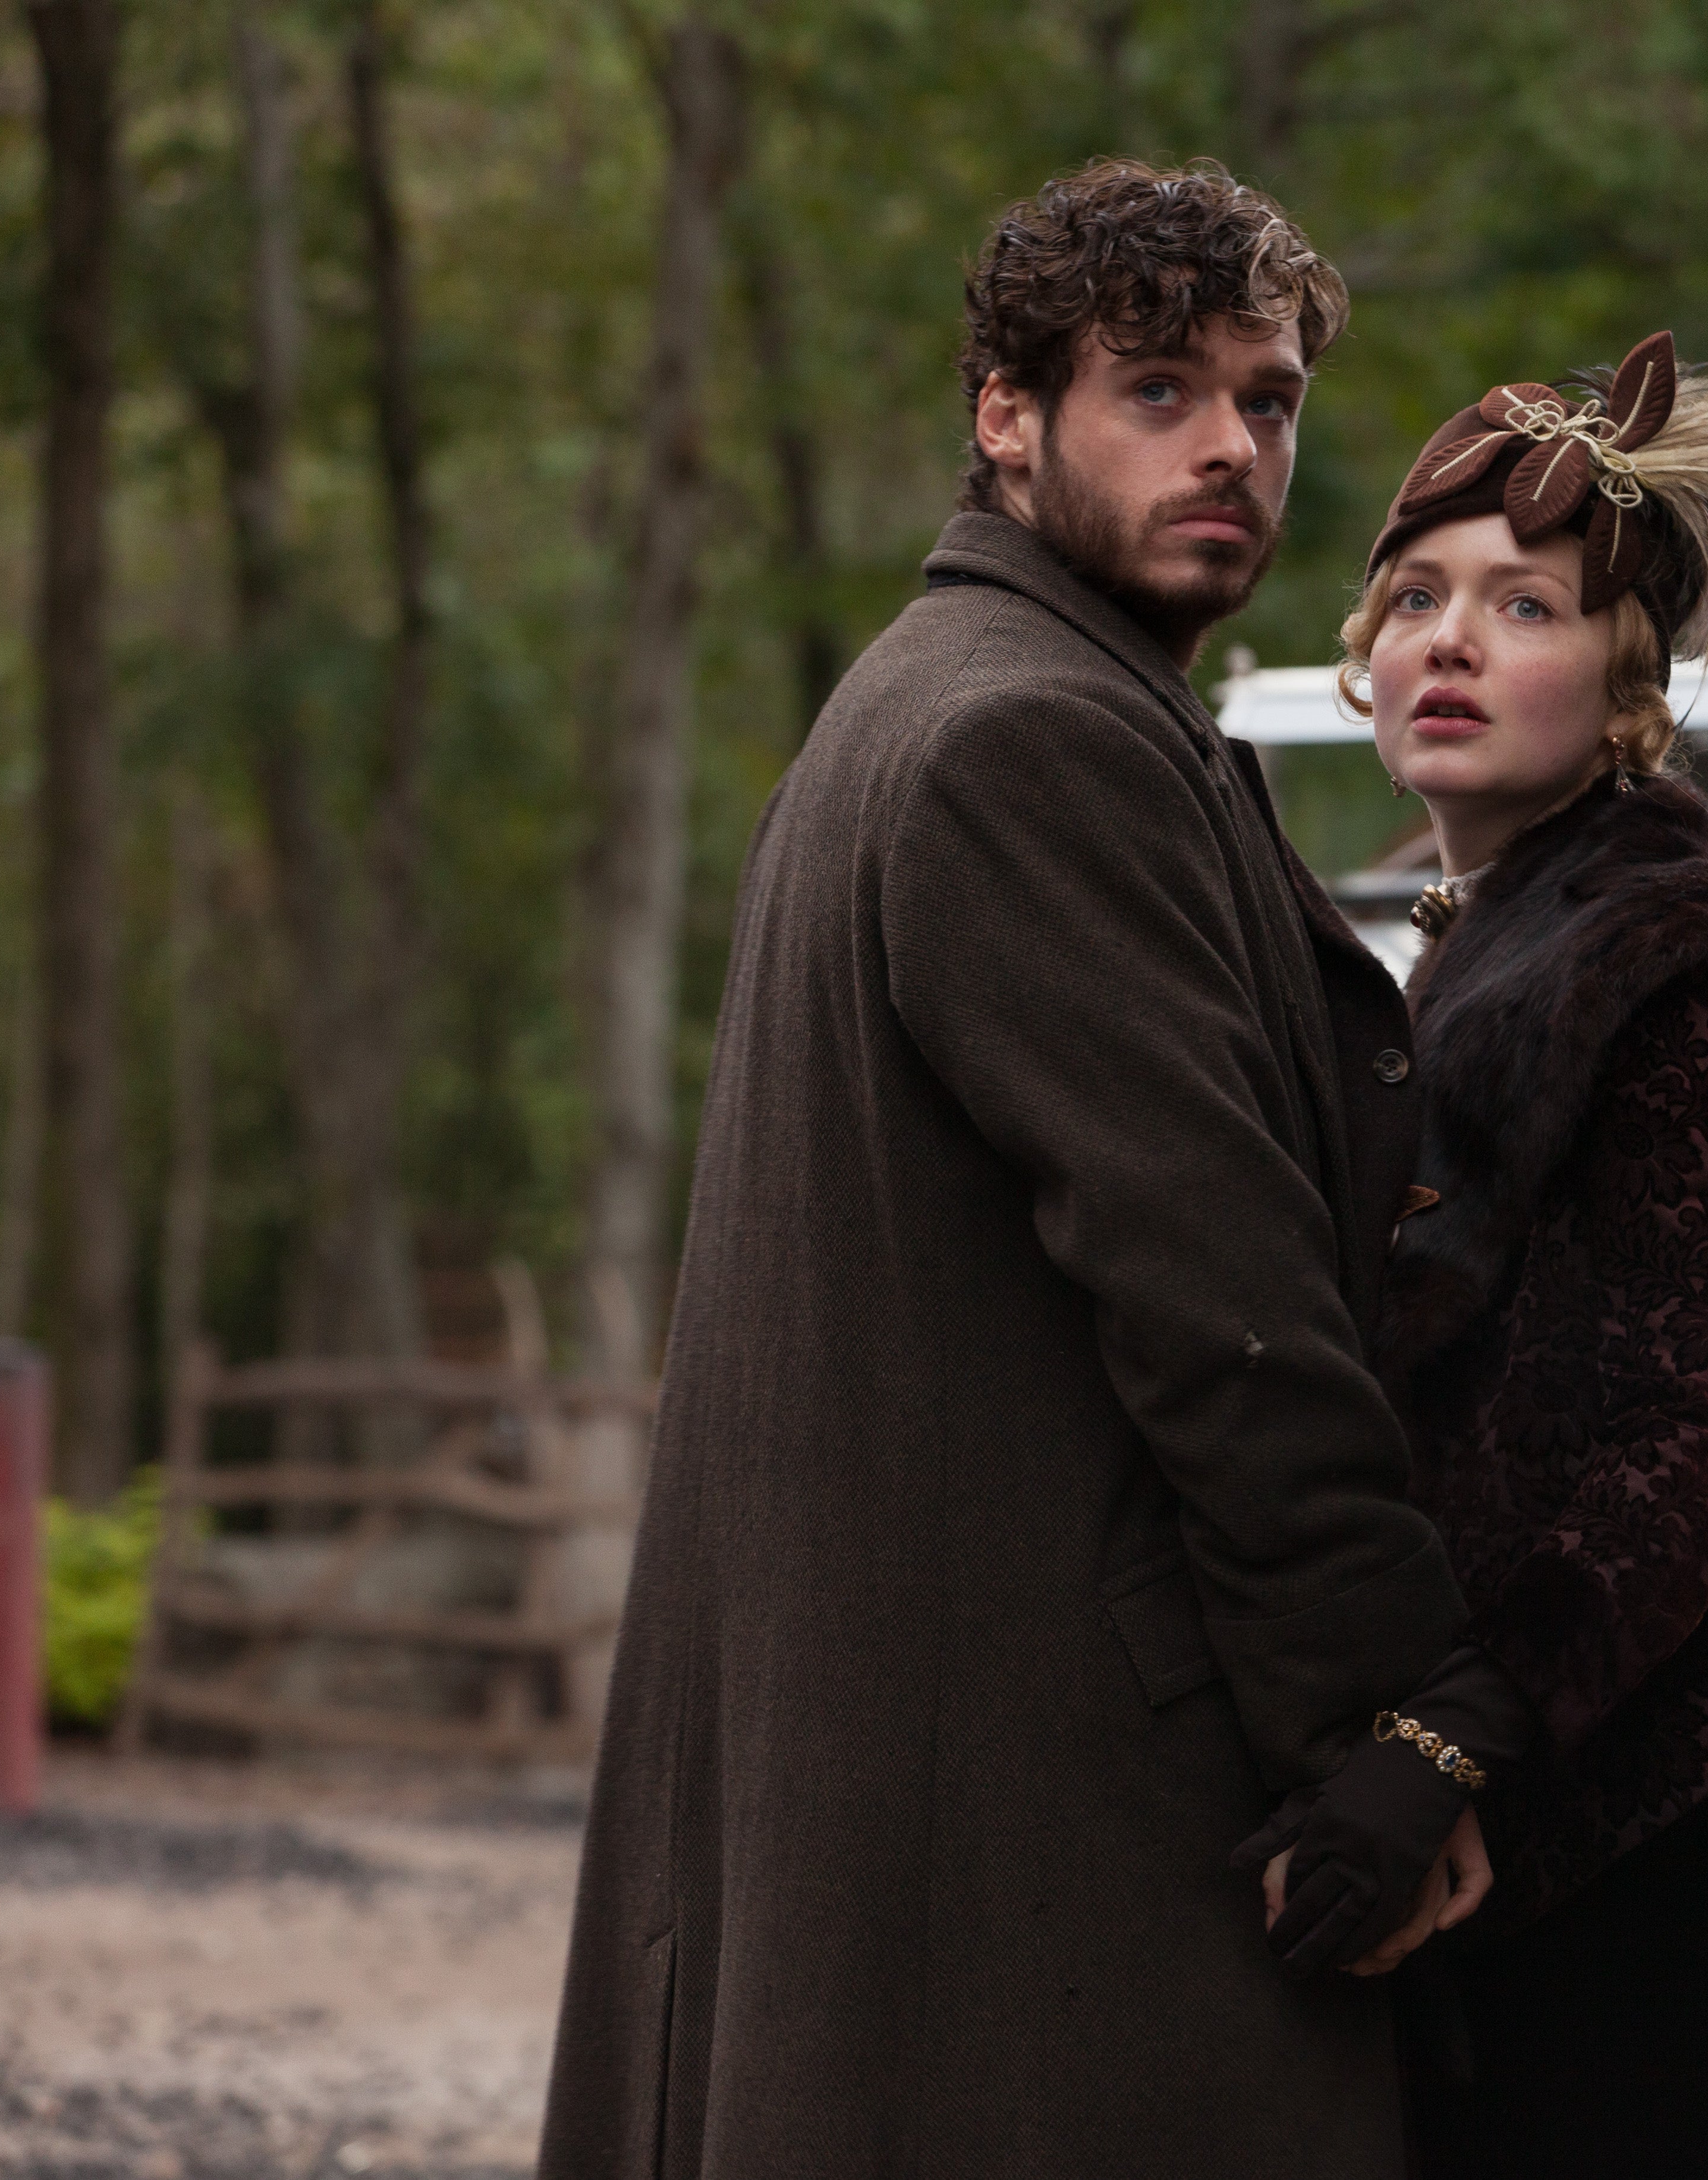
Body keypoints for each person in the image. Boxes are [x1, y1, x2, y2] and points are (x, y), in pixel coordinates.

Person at [537, 159, 1531, 2180]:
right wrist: (1395, 1721)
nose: (1230, 448)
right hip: (1029, 1799)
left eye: (1265, 399)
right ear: (1007, 412)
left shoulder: (983, 699)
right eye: (1157, 390)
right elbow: (1213, 1288)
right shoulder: (1022, 740)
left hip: (963, 1773)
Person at [1347, 331, 1708, 2179]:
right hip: (1527, 1793)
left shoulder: (1683, 961)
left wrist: (1450, 1741)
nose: (1449, 640)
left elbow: (1700, 1430)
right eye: (1416, 596)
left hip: (1649, 1825)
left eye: (1522, 605)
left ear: (1623, 692)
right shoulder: (1487, 927)